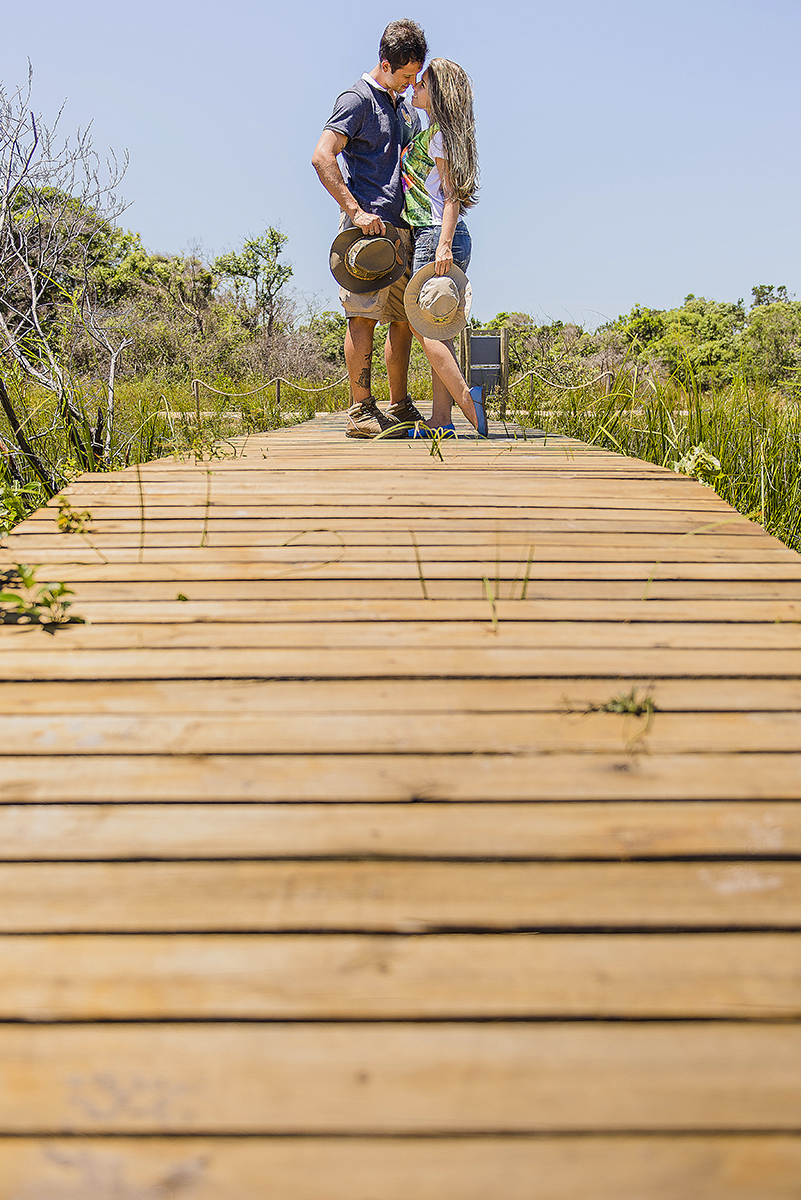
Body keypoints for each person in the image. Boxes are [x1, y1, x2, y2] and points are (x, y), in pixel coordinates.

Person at [312, 20, 428, 439]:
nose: (412, 82)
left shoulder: (402, 106)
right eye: (406, 75)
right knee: (363, 317)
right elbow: (322, 157)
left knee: (401, 318)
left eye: (417, 75)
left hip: (402, 230)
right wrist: (356, 212)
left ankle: (400, 406)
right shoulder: (357, 99)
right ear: (384, 64)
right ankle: (360, 410)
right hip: (366, 234)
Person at [400, 58, 484, 435]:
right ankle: (441, 419)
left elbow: (450, 196)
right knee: (440, 331)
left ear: (438, 92)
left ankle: (469, 402)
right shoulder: (440, 132)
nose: (415, 85)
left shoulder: (438, 136)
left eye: (423, 82)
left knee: (427, 331)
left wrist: (443, 246)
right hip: (442, 234)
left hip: (436, 235)